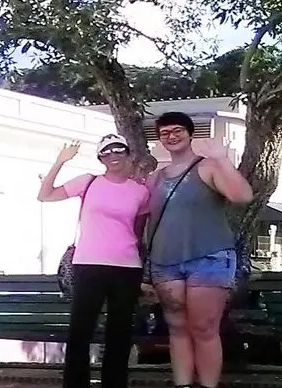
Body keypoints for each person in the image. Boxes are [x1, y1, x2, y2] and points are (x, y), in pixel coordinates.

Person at [145, 112, 253, 388]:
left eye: (177, 130)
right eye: (165, 132)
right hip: (165, 262)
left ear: (190, 134)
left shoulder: (208, 167)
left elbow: (242, 196)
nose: (171, 136)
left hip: (209, 258)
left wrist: (222, 159)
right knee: (177, 328)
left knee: (204, 328)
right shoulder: (154, 178)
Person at [37, 134, 149, 388]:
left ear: (128, 154)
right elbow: (45, 195)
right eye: (106, 152)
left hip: (127, 267)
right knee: (80, 330)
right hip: (89, 264)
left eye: (118, 150)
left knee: (119, 334)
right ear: (100, 158)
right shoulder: (87, 182)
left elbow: (141, 230)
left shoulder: (140, 191)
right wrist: (60, 161)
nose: (113, 155)